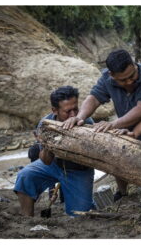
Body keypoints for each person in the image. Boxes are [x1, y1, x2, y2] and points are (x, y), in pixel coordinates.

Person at [62, 49, 141, 202]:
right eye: (123, 80)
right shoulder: (106, 79)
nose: (129, 82)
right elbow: (94, 98)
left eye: (132, 76)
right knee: (124, 165)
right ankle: (123, 194)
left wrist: (113, 124)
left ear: (134, 64)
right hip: (128, 134)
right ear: (112, 75)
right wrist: (79, 117)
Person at [14, 86, 94, 216]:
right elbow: (46, 161)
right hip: (54, 165)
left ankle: (85, 201)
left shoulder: (86, 122)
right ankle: (27, 220)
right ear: (55, 110)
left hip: (79, 171)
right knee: (25, 176)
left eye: (76, 109)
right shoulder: (45, 124)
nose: (73, 115)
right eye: (68, 111)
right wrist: (47, 144)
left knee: (79, 215)